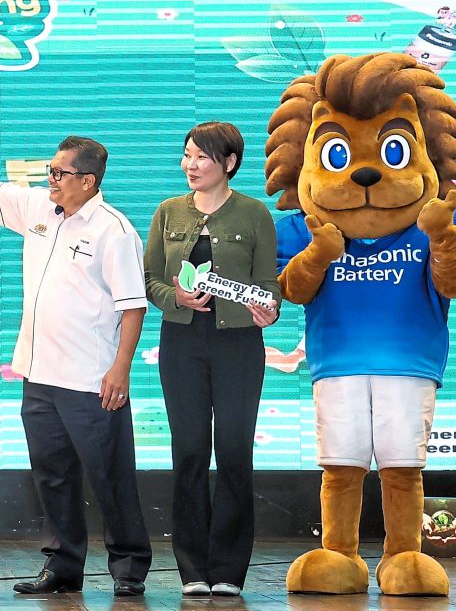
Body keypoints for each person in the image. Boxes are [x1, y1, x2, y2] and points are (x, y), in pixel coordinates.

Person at [0, 136, 152, 598]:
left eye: (60, 173)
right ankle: (63, 566)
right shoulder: (39, 208)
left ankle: (129, 567)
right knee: (52, 476)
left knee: (110, 476)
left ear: (88, 181)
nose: (50, 179)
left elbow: (133, 306)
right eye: (50, 170)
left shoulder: (114, 231)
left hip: (91, 379)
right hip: (38, 376)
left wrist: (121, 369)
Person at [143, 121, 280, 597]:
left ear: (230, 163)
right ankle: (192, 569)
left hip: (239, 346)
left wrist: (269, 308)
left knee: (236, 453)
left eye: (202, 157)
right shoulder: (168, 212)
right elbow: (149, 280)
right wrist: (175, 297)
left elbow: (268, 285)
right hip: (182, 343)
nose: (191, 165)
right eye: (187, 155)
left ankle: (228, 570)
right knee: (189, 453)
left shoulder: (254, 213)